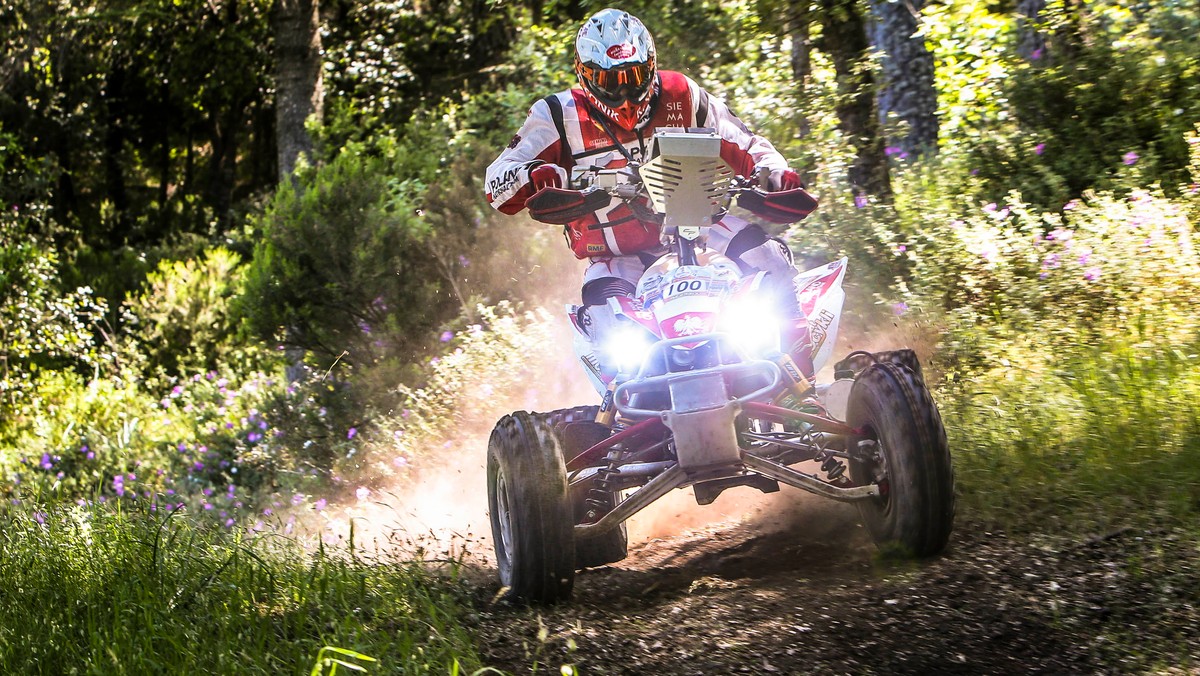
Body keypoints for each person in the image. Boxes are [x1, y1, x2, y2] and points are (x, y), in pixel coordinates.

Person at [485, 8, 817, 388]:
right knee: (606, 323)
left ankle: (802, 388)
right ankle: (620, 422)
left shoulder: (682, 94)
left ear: (652, 65)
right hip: (615, 253)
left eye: (634, 78)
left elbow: (745, 142)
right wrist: (533, 176)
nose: (624, 94)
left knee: (770, 260)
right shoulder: (559, 115)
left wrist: (773, 173)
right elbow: (497, 180)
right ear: (584, 74)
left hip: (703, 232)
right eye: (609, 81)